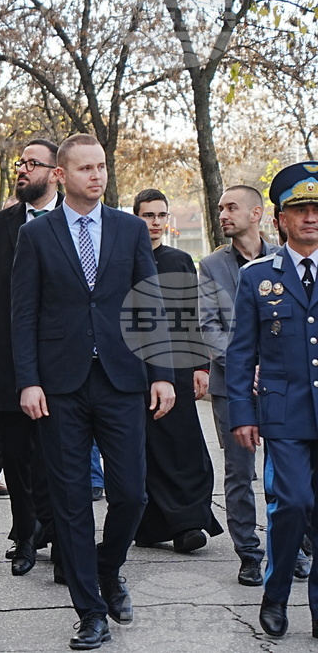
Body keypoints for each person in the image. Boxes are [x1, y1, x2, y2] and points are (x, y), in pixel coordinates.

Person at [11, 134, 175, 650]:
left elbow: (149, 305)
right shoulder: (37, 236)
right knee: (71, 502)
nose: (97, 176)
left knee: (131, 492)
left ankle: (109, 568)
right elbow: (23, 314)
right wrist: (28, 380)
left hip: (123, 380)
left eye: (101, 166)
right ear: (61, 175)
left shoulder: (129, 230)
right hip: (59, 386)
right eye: (85, 168)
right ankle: (90, 611)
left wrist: (163, 372)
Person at [0, 139, 63, 579]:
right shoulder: (0, 225)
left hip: (63, 365)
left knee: (60, 459)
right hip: (6, 366)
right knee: (18, 458)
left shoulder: (75, 221)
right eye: (19, 163)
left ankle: (63, 538)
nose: (21, 170)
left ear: (56, 173)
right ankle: (24, 537)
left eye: (31, 164)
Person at [227, 161, 318, 638]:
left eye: (317, 209)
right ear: (281, 219)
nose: (310, 218)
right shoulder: (258, 276)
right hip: (283, 414)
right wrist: (242, 413)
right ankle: (276, 592)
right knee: (292, 504)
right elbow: (242, 353)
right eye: (300, 210)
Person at [130, 189, 223, 552]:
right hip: (135, 369)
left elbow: (192, 317)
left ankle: (189, 522)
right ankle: (152, 525)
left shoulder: (180, 260)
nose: (154, 223)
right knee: (147, 447)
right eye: (147, 215)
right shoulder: (121, 259)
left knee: (183, 444)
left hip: (179, 365)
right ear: (135, 217)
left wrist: (201, 366)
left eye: (160, 216)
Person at [198, 184, 277, 586]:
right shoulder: (212, 266)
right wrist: (246, 367)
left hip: (284, 385)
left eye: (231, 207)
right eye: (220, 208)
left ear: (257, 213)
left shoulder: (284, 259)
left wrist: (272, 365)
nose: (223, 214)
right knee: (239, 472)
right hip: (232, 386)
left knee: (288, 470)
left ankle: (294, 548)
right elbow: (209, 327)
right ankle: (249, 553)